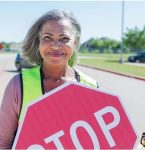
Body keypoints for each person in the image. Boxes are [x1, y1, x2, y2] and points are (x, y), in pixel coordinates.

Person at [0, 9, 99, 149]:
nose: (55, 45)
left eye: (64, 38)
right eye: (47, 37)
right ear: (38, 41)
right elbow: (3, 143)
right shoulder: (18, 85)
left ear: (75, 43)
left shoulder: (91, 87)